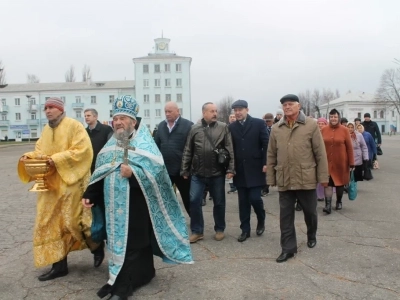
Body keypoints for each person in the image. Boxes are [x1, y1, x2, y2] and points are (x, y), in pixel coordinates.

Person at [82, 95, 193, 300]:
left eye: (123, 118)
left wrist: (134, 174)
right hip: (113, 208)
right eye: (115, 118)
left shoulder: (146, 146)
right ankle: (136, 275)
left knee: (134, 244)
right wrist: (90, 194)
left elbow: (158, 177)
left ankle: (123, 287)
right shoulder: (110, 146)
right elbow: (101, 171)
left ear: (133, 121)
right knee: (117, 244)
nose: (118, 122)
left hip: (137, 207)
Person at [18, 97, 100, 281]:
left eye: (51, 107)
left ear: (60, 109)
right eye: (45, 108)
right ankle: (59, 265)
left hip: (71, 185)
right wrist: (29, 156)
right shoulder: (46, 130)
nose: (47, 111)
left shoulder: (74, 126)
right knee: (49, 223)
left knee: (75, 224)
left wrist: (57, 159)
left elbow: (83, 150)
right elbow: (40, 151)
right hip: (51, 186)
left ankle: (97, 247)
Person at [267, 94, 329, 263]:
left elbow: (320, 153)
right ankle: (288, 249)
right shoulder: (276, 128)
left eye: (290, 104)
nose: (287, 107)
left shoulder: (310, 125)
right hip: (285, 178)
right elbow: (271, 154)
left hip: (306, 177)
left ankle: (311, 234)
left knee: (310, 212)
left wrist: (323, 177)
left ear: (298, 105)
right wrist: (270, 177)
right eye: (284, 105)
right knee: (285, 216)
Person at [181, 102, 235, 243]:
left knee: (219, 202)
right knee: (194, 201)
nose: (215, 114)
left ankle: (219, 229)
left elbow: (229, 149)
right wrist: (185, 169)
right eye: (212, 111)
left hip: (217, 173)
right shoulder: (194, 129)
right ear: (204, 113)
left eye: (216, 111)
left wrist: (230, 169)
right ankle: (197, 231)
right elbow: (188, 150)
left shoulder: (223, 128)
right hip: (197, 173)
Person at [230, 100, 269, 242]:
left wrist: (266, 163)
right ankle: (245, 230)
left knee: (254, 198)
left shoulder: (258, 123)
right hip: (240, 170)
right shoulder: (232, 127)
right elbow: (230, 149)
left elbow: (266, 144)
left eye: (240, 109)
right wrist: (230, 168)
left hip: (256, 168)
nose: (238, 112)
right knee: (243, 202)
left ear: (247, 110)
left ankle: (261, 218)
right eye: (235, 110)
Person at [154, 101, 193, 215]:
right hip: (165, 170)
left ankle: (196, 226)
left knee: (188, 200)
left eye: (170, 111)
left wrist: (188, 169)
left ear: (177, 111)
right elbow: (156, 147)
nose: (167, 114)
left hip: (183, 172)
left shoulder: (188, 125)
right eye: (165, 111)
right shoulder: (161, 126)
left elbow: (192, 149)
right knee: (164, 199)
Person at [321, 109, 354, 213]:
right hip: (326, 162)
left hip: (341, 162)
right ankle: (328, 205)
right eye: (331, 117)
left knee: (339, 184)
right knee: (327, 183)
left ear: (338, 118)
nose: (333, 119)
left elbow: (349, 147)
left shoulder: (344, 130)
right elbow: (319, 146)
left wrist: (352, 162)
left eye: (335, 117)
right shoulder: (324, 129)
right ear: (329, 118)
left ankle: (339, 201)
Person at [261, 113, 274, 197]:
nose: (268, 123)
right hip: (266, 151)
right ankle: (265, 188)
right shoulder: (263, 128)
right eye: (266, 121)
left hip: (275, 151)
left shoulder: (276, 128)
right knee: (266, 170)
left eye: (269, 121)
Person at [227, 113, 238, 194]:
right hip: (229, 151)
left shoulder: (238, 127)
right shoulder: (226, 128)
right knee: (230, 169)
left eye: (234, 117)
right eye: (231, 117)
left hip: (236, 150)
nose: (233, 118)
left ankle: (236, 185)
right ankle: (232, 186)